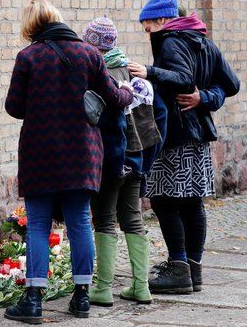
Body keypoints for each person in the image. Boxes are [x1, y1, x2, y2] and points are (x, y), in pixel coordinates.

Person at [4, 0, 133, 323]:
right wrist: (129, 91)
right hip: (83, 154)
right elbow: (114, 99)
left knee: (37, 225)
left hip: (39, 154)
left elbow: (14, 107)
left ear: (31, 26)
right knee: (79, 223)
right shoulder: (89, 54)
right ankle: (82, 298)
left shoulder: (28, 57)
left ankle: (33, 301)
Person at [127, 0, 240, 294]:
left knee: (163, 200)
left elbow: (181, 78)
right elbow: (232, 84)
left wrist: (149, 71)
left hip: (176, 134)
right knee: (192, 203)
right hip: (199, 133)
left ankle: (179, 269)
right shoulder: (204, 42)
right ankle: (193, 270)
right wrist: (207, 98)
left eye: (148, 23)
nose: (146, 30)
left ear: (164, 19)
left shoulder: (172, 41)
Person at [81, 16, 163, 307]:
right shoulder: (135, 71)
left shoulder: (98, 73)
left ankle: (103, 289)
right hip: (138, 160)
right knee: (133, 219)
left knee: (103, 219)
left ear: (91, 44)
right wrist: (145, 162)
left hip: (111, 161)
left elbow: (107, 125)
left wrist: (108, 163)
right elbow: (157, 120)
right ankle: (141, 287)